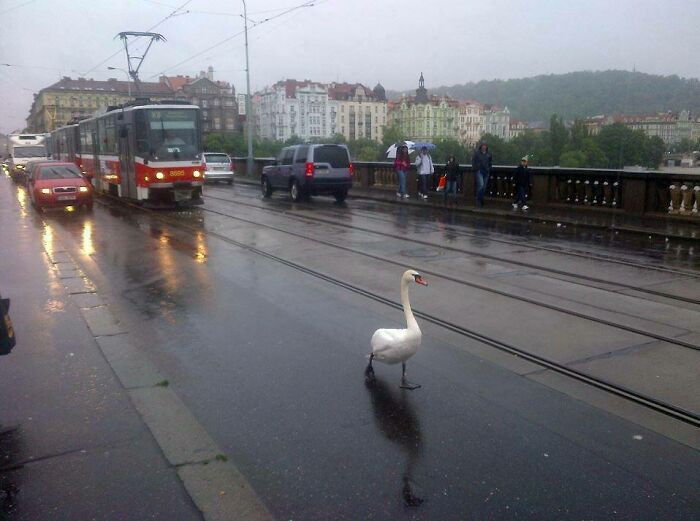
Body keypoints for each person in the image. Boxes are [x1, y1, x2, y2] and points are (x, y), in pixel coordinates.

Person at [472, 142, 492, 206]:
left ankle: (481, 199)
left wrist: (489, 168)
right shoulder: (477, 153)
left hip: (486, 172)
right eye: (483, 145)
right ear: (481, 146)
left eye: (485, 146)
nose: (484, 147)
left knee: (484, 187)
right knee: (481, 185)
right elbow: (473, 161)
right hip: (479, 171)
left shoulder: (489, 154)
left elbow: (490, 162)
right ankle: (478, 200)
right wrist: (476, 168)